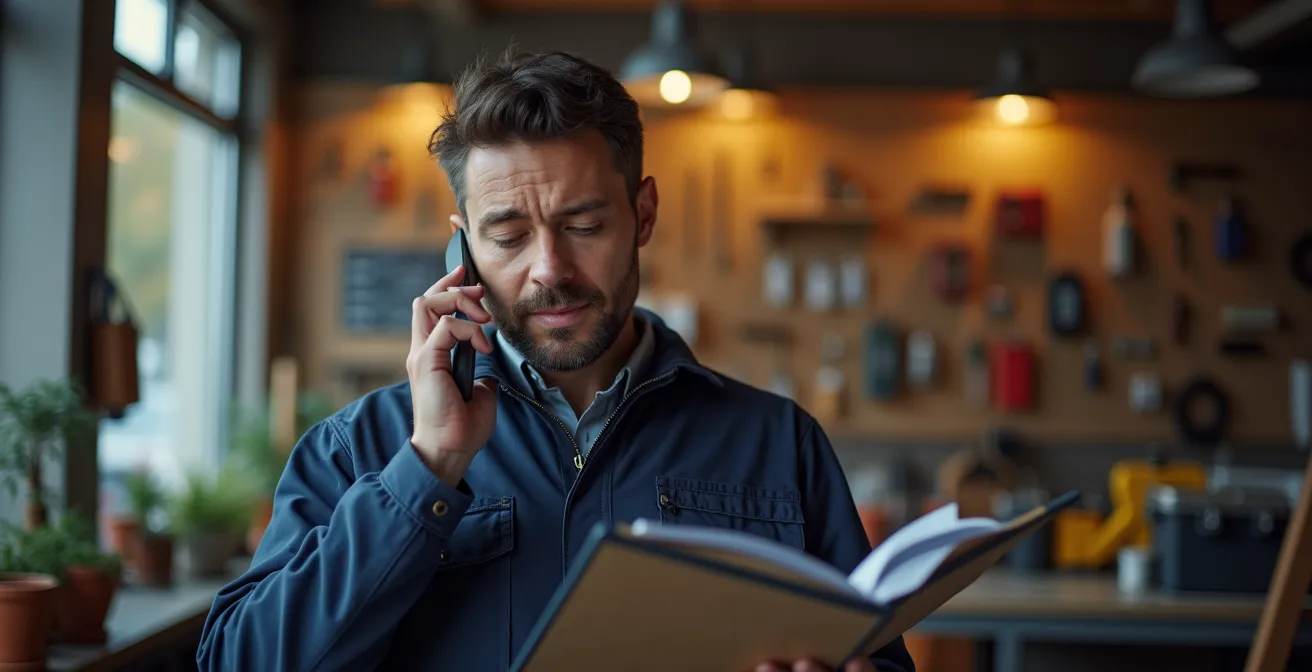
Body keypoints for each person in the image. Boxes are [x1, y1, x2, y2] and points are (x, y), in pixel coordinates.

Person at [196, 48, 915, 672]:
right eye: (507, 236)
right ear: (464, 247)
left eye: (585, 224)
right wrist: (426, 471)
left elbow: (875, 657)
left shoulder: (778, 444)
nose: (550, 268)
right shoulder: (359, 449)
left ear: (644, 214)